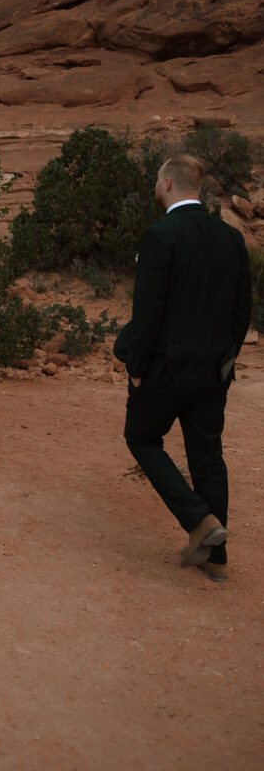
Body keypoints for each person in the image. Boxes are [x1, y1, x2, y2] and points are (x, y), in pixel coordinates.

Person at [114, 154, 251, 583]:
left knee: (140, 436)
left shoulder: (160, 235)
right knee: (208, 458)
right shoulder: (230, 238)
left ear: (169, 184)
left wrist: (136, 366)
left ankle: (200, 520)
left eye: (158, 179)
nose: (156, 184)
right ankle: (216, 559)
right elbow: (242, 309)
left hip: (166, 371)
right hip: (213, 372)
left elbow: (149, 310)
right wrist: (226, 361)